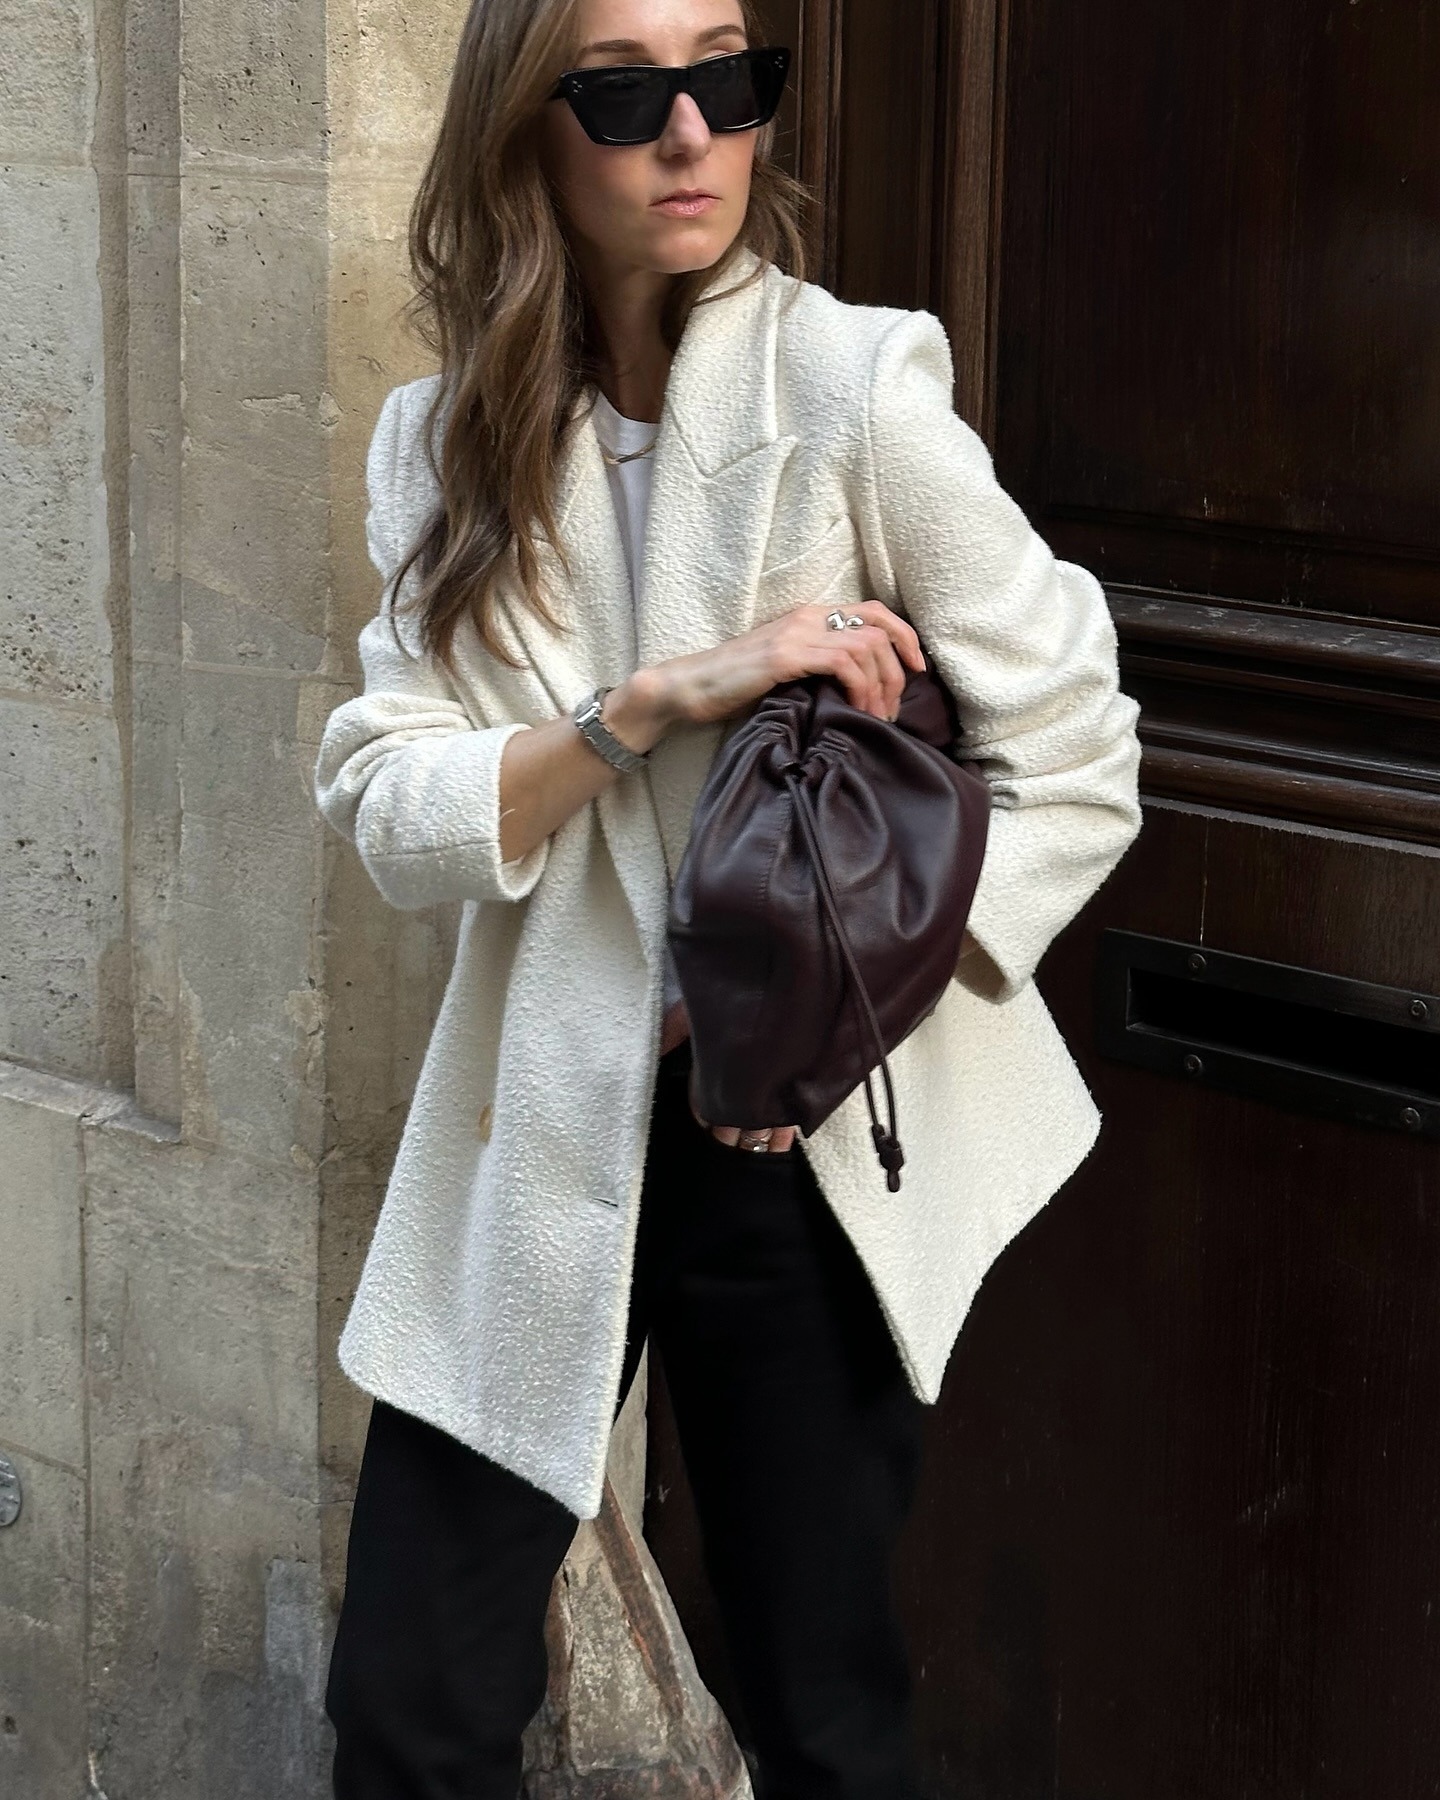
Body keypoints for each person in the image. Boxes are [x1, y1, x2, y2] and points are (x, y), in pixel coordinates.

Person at [312, 0, 1143, 1795]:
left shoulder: (853, 390)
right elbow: (389, 805)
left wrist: (838, 1021)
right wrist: (648, 704)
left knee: (824, 1716)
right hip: (541, 1122)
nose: (692, 133)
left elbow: (1078, 750)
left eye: (730, 80)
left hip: (797, 1153)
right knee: (411, 1697)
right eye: (625, 95)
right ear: (526, 130)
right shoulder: (440, 444)